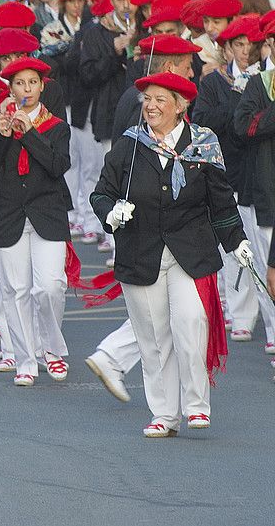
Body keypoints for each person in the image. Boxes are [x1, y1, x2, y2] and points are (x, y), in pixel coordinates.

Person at [91, 72, 248, 437]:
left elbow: (221, 200)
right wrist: (111, 213)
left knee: (191, 322)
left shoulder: (203, 145)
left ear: (180, 106)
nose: (151, 106)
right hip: (140, 252)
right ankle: (164, 414)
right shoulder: (129, 146)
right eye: (147, 99)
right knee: (153, 338)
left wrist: (236, 240)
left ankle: (196, 406)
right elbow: (100, 193)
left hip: (189, 252)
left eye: (161, 99)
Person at [0, 57, 73, 387]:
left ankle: (53, 349)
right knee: (14, 290)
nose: (27, 89)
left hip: (47, 213)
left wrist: (28, 133)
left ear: (42, 87)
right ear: (11, 88)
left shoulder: (57, 126)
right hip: (7, 214)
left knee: (50, 286)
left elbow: (58, 165)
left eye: (33, 82)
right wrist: (4, 136)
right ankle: (25, 359)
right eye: (20, 83)